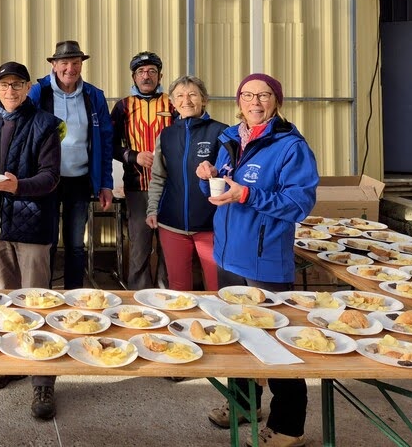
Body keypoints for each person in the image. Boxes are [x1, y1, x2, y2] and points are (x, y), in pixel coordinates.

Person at [198, 73, 318, 447]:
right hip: (228, 255)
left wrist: (247, 195)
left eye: (264, 95)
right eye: (248, 95)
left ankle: (287, 427)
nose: (255, 102)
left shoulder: (290, 146)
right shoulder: (230, 138)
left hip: (264, 260)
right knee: (238, 337)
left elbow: (300, 204)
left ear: (276, 101)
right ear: (238, 101)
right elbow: (221, 189)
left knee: (276, 345)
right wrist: (209, 178)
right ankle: (245, 405)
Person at [0, 62, 63, 419]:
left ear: (28, 87)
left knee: (37, 303)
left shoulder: (44, 124)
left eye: (17, 84)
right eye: (4, 84)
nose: (10, 91)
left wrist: (18, 186)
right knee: (8, 301)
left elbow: (51, 177)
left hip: (32, 225)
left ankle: (42, 381)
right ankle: (13, 359)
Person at [29, 40, 114, 290]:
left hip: (79, 179)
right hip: (47, 180)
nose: (70, 68)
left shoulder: (93, 95)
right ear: (54, 65)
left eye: (76, 63)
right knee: (47, 241)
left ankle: (74, 296)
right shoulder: (39, 92)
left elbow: (105, 142)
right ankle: (44, 295)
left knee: (76, 243)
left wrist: (105, 183)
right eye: (64, 63)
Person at [146, 74, 225, 292]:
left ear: (204, 99)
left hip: (211, 225)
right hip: (171, 224)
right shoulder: (167, 135)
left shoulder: (221, 132)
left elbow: (231, 175)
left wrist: (216, 173)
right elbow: (159, 176)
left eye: (192, 94)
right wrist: (153, 209)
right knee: (179, 288)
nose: (186, 100)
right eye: (180, 95)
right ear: (172, 102)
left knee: (216, 286)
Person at [111, 51, 173, 289]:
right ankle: (139, 297)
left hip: (170, 189)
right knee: (139, 246)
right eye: (141, 72)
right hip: (137, 188)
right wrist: (133, 156)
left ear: (160, 75)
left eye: (152, 71)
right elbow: (110, 145)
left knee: (168, 247)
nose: (146, 76)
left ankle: (167, 296)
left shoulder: (172, 103)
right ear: (133, 77)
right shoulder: (123, 106)